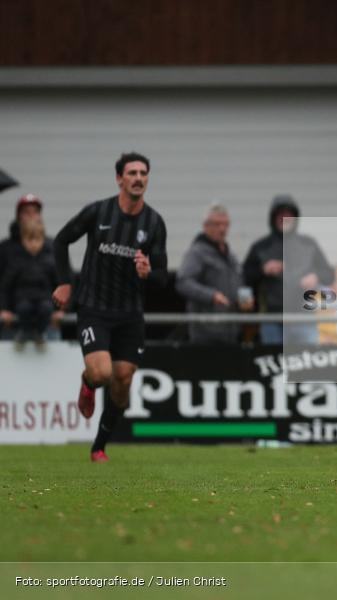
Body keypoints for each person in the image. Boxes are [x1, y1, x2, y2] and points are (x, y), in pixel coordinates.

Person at [52, 152, 168, 463]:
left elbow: (162, 277)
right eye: (132, 173)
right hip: (94, 308)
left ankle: (99, 446)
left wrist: (148, 273)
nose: (138, 178)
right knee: (101, 373)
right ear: (119, 178)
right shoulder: (98, 211)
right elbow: (61, 241)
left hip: (130, 314)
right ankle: (87, 382)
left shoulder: (154, 223)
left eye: (143, 173)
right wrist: (65, 282)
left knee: (123, 380)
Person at [243, 195, 334, 345]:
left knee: (305, 364)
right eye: (280, 214)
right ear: (273, 218)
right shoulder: (261, 247)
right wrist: (263, 270)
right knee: (273, 365)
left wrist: (316, 276)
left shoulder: (308, 244)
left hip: (304, 318)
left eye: (288, 214)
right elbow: (244, 278)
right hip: (273, 320)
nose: (284, 218)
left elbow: (329, 274)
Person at [176, 204, 253, 344]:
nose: (222, 229)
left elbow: (239, 281)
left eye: (225, 224)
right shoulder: (197, 253)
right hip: (206, 334)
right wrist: (211, 296)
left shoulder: (231, 256)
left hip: (232, 332)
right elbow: (183, 282)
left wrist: (245, 299)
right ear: (206, 226)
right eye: (217, 224)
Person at [0, 194, 63, 345]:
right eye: (26, 212)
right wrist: (3, 309)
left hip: (47, 319)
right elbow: (3, 284)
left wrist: (62, 310)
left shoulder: (52, 246)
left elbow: (63, 281)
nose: (31, 216)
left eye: (35, 211)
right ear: (18, 216)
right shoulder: (5, 248)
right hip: (13, 321)